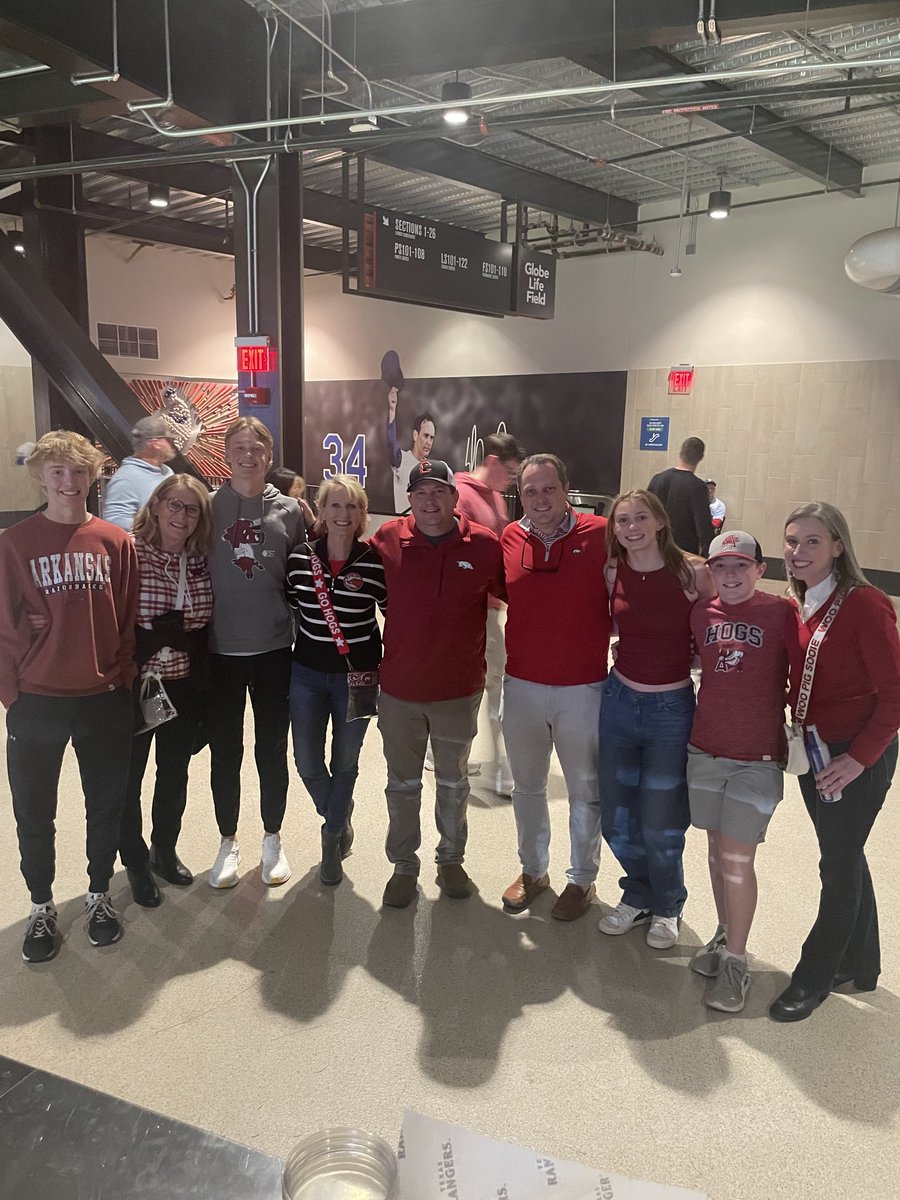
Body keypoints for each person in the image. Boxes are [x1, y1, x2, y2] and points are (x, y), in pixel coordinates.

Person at [0, 431, 138, 962]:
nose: (68, 481)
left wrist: (122, 676)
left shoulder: (115, 541)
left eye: (78, 471)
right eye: (57, 471)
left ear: (93, 476)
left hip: (103, 695)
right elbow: (5, 622)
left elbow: (125, 618)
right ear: (41, 476)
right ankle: (41, 905)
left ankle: (99, 895)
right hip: (37, 699)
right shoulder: (15, 543)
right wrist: (11, 691)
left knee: (106, 804)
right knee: (35, 812)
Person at [769, 502, 900, 1022]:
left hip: (853, 756)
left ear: (839, 547)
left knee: (837, 865)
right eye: (792, 541)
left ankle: (814, 975)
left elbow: (895, 696)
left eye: (812, 542)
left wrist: (859, 760)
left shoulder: (866, 604)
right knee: (844, 852)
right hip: (814, 748)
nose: (798, 552)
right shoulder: (798, 601)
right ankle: (861, 964)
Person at [370, 459, 504, 908]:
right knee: (402, 783)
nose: (430, 501)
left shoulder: (484, 545)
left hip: (458, 688)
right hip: (401, 689)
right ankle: (404, 866)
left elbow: (521, 593)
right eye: (420, 492)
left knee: (453, 783)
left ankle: (450, 859)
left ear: (453, 496)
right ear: (409, 499)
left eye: (438, 492)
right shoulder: (387, 540)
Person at [687, 530, 798, 1012]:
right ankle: (724, 933)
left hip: (756, 758)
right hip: (705, 749)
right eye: (721, 567)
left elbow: (804, 674)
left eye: (740, 566)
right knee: (715, 851)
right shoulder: (701, 613)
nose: (730, 576)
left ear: (760, 570)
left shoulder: (780, 613)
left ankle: (737, 960)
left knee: (737, 860)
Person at [598, 489, 714, 949]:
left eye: (640, 517)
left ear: (660, 521)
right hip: (619, 701)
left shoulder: (692, 572)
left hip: (671, 709)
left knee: (661, 818)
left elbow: (714, 630)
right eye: (622, 520)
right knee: (617, 815)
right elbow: (609, 623)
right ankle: (639, 892)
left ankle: (668, 903)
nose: (631, 527)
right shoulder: (613, 570)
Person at [500, 454, 612, 921]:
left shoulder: (601, 535)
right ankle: (534, 871)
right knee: (527, 787)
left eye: (549, 489)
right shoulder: (510, 537)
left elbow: (657, 564)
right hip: (521, 682)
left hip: (582, 687)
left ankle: (582, 879)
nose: (540, 499)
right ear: (519, 495)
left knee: (585, 790)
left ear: (567, 489)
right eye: (530, 491)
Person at [205, 417, 306, 889]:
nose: (248, 455)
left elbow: (306, 579)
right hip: (219, 649)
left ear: (269, 456)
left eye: (257, 447)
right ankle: (227, 839)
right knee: (225, 750)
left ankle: (272, 836)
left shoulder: (290, 511)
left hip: (273, 649)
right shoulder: (207, 508)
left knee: (272, 748)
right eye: (239, 447)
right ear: (227, 454)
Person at [285, 475, 387, 886]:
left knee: (345, 762)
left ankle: (330, 836)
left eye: (352, 507)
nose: (343, 514)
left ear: (362, 514)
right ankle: (339, 817)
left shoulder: (376, 562)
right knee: (307, 761)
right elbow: (294, 610)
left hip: (358, 677)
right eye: (335, 506)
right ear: (321, 511)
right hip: (306, 673)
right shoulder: (298, 560)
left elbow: (392, 611)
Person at [119, 475, 214, 908]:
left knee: (174, 774)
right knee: (128, 778)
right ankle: (135, 861)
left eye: (191, 509)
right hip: (136, 684)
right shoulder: (128, 552)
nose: (181, 516)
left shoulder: (199, 560)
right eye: (174, 505)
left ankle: (164, 849)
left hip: (182, 683)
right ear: (156, 506)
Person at [453, 432, 525, 795]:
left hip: (491, 608)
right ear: (494, 463)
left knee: (495, 683)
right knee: (471, 684)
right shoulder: (460, 495)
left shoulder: (496, 497)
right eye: (510, 473)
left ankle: (500, 762)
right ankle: (461, 754)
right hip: (467, 610)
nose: (513, 481)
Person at [102, 413, 178, 530]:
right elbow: (115, 521)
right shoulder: (125, 479)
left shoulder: (167, 472)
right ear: (155, 443)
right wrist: (154, 531)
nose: (171, 445)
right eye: (167, 440)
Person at [647, 436, 714, 556]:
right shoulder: (697, 487)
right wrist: (707, 555)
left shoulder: (658, 479)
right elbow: (703, 527)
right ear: (701, 457)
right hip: (683, 552)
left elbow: (646, 513)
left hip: (655, 547)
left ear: (681, 453)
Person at [386, 392, 436, 514]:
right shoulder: (402, 459)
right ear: (415, 435)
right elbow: (391, 443)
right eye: (425, 436)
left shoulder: (431, 468)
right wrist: (392, 410)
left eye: (431, 437)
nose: (429, 442)